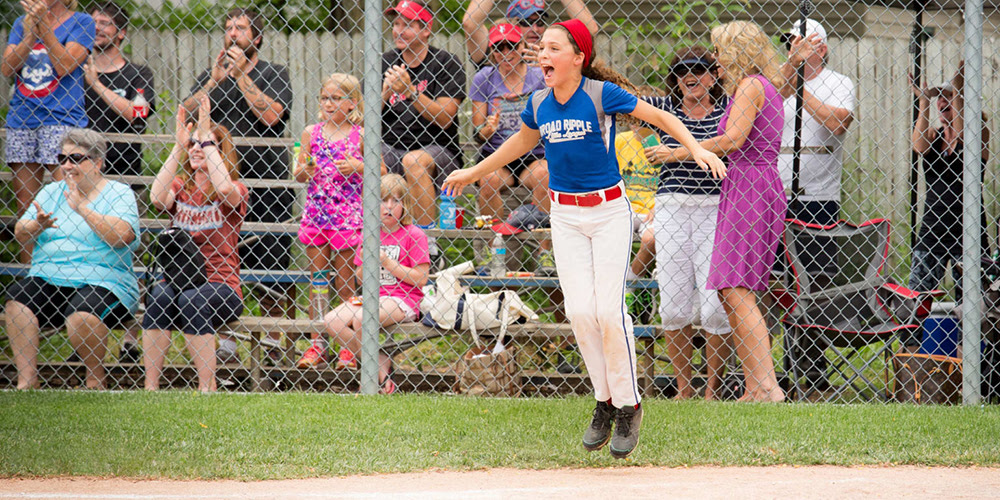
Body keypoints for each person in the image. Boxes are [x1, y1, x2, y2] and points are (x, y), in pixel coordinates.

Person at [443, 20, 724, 458]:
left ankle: (629, 405)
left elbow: (661, 115)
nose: (542, 54)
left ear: (578, 59)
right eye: (542, 48)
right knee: (579, 312)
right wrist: (474, 172)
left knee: (609, 312)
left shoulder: (598, 94)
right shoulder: (538, 101)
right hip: (565, 216)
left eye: (553, 48)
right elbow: (519, 143)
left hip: (609, 212)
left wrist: (697, 147)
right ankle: (605, 400)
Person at [653, 21, 787, 403]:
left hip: (749, 186)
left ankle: (766, 386)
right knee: (732, 290)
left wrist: (681, 151)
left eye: (719, 51)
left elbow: (732, 139)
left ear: (736, 50)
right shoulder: (762, 85)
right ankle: (755, 385)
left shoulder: (750, 85)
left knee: (736, 290)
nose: (715, 59)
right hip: (750, 185)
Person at [182, 8, 293, 363]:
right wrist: (214, 81)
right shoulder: (212, 76)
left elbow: (271, 115)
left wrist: (242, 74)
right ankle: (227, 348)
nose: (233, 33)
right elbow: (185, 116)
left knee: (272, 272)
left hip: (266, 187)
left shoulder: (274, 73)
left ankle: (275, 348)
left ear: (255, 38)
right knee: (224, 267)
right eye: (228, 28)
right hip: (219, 189)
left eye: (240, 28)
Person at [5, 128, 140, 390]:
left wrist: (82, 209)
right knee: (16, 303)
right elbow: (20, 231)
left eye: (76, 158)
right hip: (49, 277)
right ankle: (27, 381)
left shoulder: (118, 193)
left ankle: (94, 380)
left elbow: (122, 236)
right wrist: (37, 226)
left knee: (82, 314)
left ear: (97, 162)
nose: (67, 165)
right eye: (62, 158)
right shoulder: (51, 191)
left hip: (104, 281)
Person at [643, 47, 732, 400]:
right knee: (674, 304)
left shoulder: (729, 110)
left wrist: (677, 151)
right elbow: (617, 91)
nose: (689, 77)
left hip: (715, 208)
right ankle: (684, 389)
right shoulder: (664, 110)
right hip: (672, 207)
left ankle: (712, 390)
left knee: (713, 307)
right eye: (681, 71)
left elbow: (732, 141)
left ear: (715, 76)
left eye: (699, 70)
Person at [143, 97, 248, 393]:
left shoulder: (235, 190)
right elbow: (156, 199)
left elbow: (225, 188)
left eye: (205, 144)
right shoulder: (180, 187)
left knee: (193, 299)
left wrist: (205, 137)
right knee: (159, 295)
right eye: (195, 145)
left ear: (219, 151)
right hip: (179, 280)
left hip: (221, 284)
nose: (197, 149)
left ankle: (207, 386)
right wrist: (179, 146)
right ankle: (151, 388)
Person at [299, 174, 430, 394]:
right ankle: (379, 363)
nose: (388, 207)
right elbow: (359, 277)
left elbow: (421, 278)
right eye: (382, 200)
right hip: (373, 296)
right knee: (332, 320)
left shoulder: (413, 235)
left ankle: (368, 380)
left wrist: (387, 262)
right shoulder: (369, 234)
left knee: (362, 319)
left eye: (395, 201)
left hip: (402, 298)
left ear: (405, 205)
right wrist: (366, 264)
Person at [82, 0, 154, 364]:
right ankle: (82, 337)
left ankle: (129, 339)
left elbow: (137, 114)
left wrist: (96, 85)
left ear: (121, 32)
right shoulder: (73, 69)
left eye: (107, 23)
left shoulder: (137, 75)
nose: (99, 28)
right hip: (81, 181)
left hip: (125, 180)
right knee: (83, 252)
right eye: (93, 22)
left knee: (128, 255)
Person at [2, 0, 95, 263]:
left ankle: (64, 267)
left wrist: (43, 25)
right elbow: (8, 67)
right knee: (26, 203)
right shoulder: (21, 24)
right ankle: (30, 272)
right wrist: (32, 30)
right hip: (23, 117)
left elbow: (64, 65)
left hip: (62, 118)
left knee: (65, 197)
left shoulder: (82, 22)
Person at [470, 23, 554, 271]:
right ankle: (491, 248)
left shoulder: (539, 77)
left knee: (544, 175)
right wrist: (488, 128)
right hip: (498, 154)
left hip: (533, 153)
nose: (506, 53)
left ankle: (545, 251)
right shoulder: (484, 78)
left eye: (512, 46)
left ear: (522, 46)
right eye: (498, 47)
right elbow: (478, 134)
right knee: (488, 180)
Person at [381, 0, 466, 227]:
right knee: (366, 156)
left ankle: (426, 243)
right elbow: (360, 118)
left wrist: (411, 92)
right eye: (396, 24)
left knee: (413, 161)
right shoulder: (385, 62)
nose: (398, 30)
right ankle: (377, 238)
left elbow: (445, 118)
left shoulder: (446, 63)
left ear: (426, 30)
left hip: (437, 152)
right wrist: (384, 94)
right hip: (390, 147)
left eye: (407, 25)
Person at [910, 62, 989, 302]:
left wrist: (959, 90)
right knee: (917, 300)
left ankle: (968, 341)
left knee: (973, 305)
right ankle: (911, 340)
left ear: (963, 102)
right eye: (940, 98)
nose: (943, 102)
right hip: (932, 230)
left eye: (950, 97)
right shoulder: (934, 137)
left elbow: (965, 135)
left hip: (969, 231)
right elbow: (918, 146)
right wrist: (923, 102)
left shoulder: (979, 132)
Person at [292, 73, 366, 322]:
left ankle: (347, 343)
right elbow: (299, 174)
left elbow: (382, 171)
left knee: (345, 284)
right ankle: (317, 343)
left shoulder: (361, 134)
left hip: (347, 217)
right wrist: (306, 170)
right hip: (317, 215)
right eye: (324, 98)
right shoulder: (310, 133)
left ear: (352, 102)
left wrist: (358, 166)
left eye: (336, 98)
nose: (329, 103)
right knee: (319, 284)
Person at [462, 0, 597, 67]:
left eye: (540, 22)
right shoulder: (497, 50)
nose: (535, 29)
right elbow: (470, 24)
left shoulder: (556, 53)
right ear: (511, 24)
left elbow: (590, 30)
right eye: (526, 22)